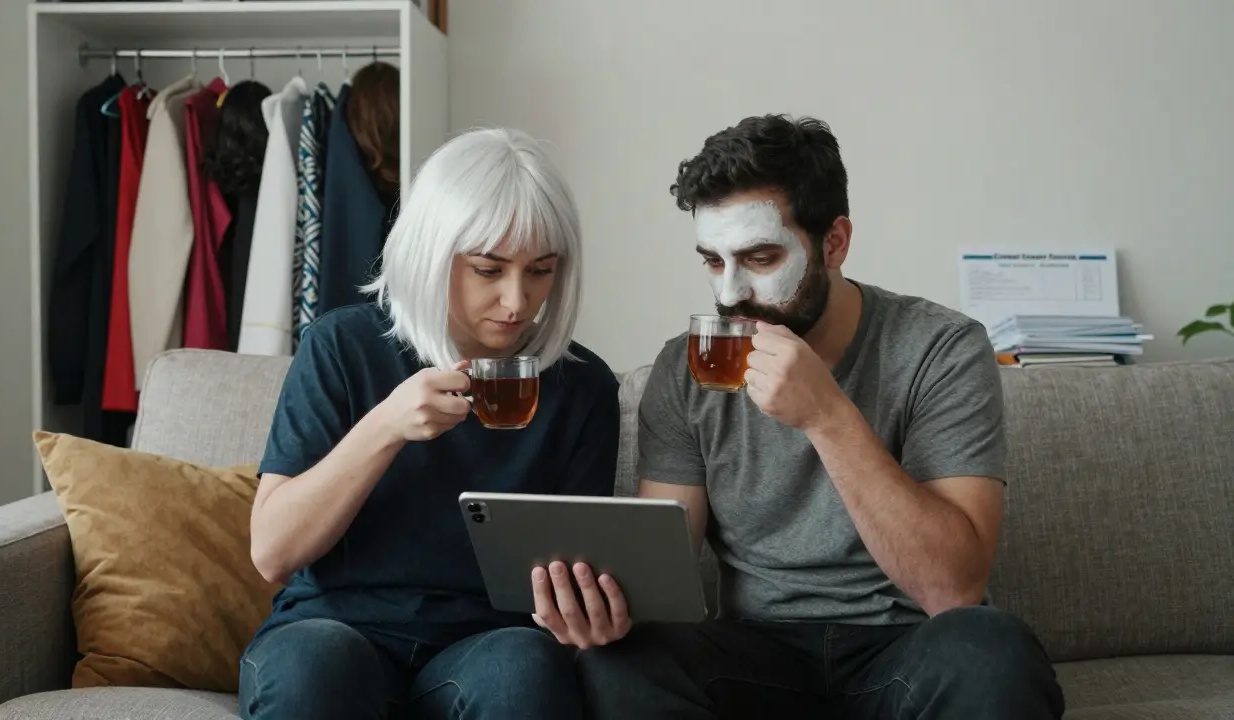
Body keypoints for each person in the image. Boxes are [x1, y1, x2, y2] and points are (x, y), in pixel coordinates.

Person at [534, 114, 1066, 719]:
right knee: (618, 663)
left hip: (906, 652)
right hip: (758, 656)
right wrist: (601, 605)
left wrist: (827, 416)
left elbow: (953, 588)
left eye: (760, 257)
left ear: (834, 242)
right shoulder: (687, 370)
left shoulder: (940, 349)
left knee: (993, 649)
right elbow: (664, 567)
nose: (730, 294)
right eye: (713, 261)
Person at [238, 127, 621, 720]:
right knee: (312, 667)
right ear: (432, 252)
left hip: (485, 645)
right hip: (335, 630)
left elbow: (571, 583)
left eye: (540, 271)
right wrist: (385, 426)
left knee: (523, 669)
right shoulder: (342, 348)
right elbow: (272, 553)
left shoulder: (583, 388)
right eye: (489, 270)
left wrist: (586, 612)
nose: (518, 303)